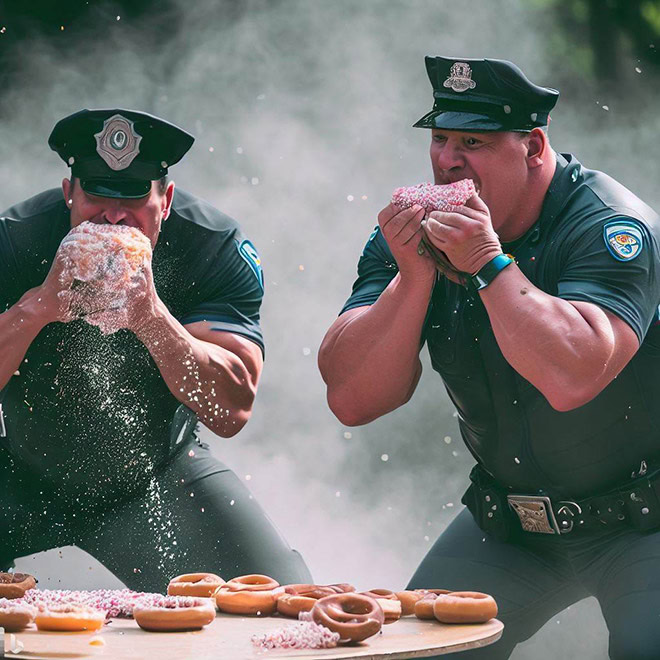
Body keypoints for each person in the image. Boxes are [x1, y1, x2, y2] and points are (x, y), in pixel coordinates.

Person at [318, 57, 660, 659]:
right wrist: (412, 280)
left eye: (473, 142)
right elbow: (352, 398)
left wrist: (490, 265)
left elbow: (573, 376)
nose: (449, 160)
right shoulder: (408, 237)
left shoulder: (610, 224)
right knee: (410, 654)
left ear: (532, 147)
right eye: (440, 139)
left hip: (644, 517)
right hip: (509, 521)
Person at [0, 108, 311, 592]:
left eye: (132, 199)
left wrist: (151, 317)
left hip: (156, 475)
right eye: (95, 196)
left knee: (276, 596)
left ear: (165, 200)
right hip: (19, 472)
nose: (113, 216)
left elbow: (231, 410)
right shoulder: (14, 238)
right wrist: (38, 307)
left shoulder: (211, 245)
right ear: (68, 193)